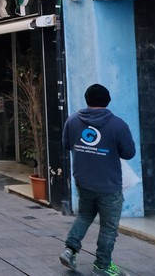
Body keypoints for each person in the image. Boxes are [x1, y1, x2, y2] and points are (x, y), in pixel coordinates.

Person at [59, 84, 136, 276]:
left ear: (87, 99)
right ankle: (102, 266)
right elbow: (129, 153)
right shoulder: (118, 125)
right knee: (109, 227)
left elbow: (66, 144)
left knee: (84, 215)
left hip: (83, 180)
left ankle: (70, 250)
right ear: (108, 100)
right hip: (109, 185)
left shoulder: (72, 120)